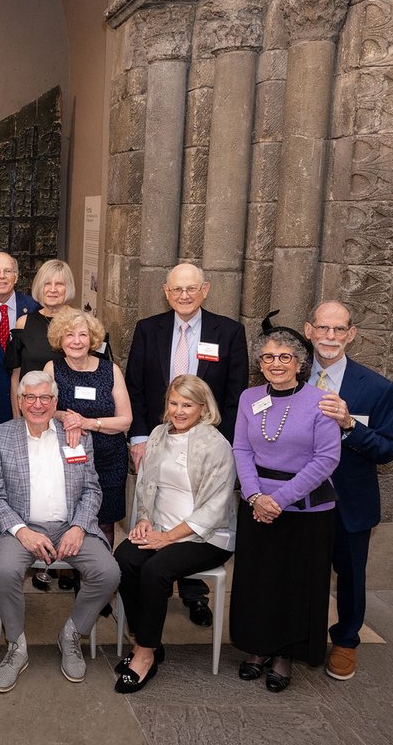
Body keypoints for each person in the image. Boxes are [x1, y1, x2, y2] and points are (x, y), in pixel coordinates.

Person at [124, 263, 249, 627]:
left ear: (205, 290)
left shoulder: (228, 331)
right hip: (157, 438)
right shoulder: (149, 329)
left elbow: (235, 393)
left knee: (198, 503)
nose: (184, 295)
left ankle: (195, 595)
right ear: (166, 291)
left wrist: (214, 446)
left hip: (207, 441)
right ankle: (153, 598)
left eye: (191, 288)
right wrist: (141, 438)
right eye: (177, 289)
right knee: (161, 500)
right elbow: (136, 386)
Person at [0, 370, 120, 693]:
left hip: (70, 524)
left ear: (55, 401)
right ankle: (16, 646)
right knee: (4, 572)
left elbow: (92, 490)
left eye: (45, 397)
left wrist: (78, 527)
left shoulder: (75, 435)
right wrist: (22, 532)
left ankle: (72, 633)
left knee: (108, 572)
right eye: (29, 397)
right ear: (19, 401)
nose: (37, 404)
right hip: (22, 525)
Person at [230, 315, 340, 693]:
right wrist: (255, 496)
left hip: (305, 511)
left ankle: (284, 655)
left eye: (284, 357)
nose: (275, 363)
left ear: (299, 363)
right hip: (256, 502)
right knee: (258, 582)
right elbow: (241, 448)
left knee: (294, 585)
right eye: (267, 357)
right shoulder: (249, 398)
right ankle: (258, 649)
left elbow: (326, 460)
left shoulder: (321, 402)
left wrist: (277, 499)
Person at [112, 375, 236, 693]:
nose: (179, 411)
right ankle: (147, 639)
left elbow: (215, 508)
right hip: (161, 528)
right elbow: (146, 486)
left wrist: (167, 539)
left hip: (206, 536)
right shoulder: (157, 435)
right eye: (174, 402)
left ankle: (143, 656)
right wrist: (143, 520)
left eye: (188, 404)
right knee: (124, 558)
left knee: (155, 569)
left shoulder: (216, 444)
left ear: (203, 408)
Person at [304, 301, 393, 681]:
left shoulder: (377, 388)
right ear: (309, 330)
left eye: (339, 330)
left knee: (351, 576)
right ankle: (299, 638)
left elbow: (388, 449)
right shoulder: (287, 377)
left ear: (351, 334)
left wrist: (349, 424)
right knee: (299, 572)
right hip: (299, 499)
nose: (331, 337)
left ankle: (345, 641)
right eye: (323, 329)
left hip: (349, 501)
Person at [43, 307, 132, 544]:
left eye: (82, 335)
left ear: (92, 338)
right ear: (60, 339)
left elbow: (125, 420)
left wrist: (88, 422)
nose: (76, 341)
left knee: (105, 521)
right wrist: (66, 418)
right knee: (68, 518)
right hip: (67, 456)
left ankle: (101, 576)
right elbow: (43, 410)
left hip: (109, 457)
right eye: (69, 335)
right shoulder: (52, 369)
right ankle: (67, 572)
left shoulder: (110, 370)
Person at [6, 258, 74, 418]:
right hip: (32, 412)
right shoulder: (23, 324)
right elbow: (16, 377)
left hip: (69, 414)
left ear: (68, 288)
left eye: (59, 284)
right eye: (47, 284)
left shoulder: (80, 323)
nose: (53, 289)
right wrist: (18, 417)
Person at [0, 252, 38, 429]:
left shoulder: (34, 308)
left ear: (16, 277)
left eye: (7, 271)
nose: (2, 276)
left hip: (28, 405)